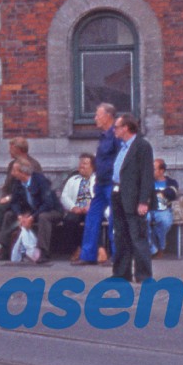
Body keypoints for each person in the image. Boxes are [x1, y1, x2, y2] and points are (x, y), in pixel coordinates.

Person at [110, 112, 155, 283]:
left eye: (117, 126)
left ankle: (143, 274)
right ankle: (122, 273)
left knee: (138, 237)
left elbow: (147, 175)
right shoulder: (122, 147)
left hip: (134, 198)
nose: (115, 130)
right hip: (118, 194)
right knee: (120, 236)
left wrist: (144, 201)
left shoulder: (142, 146)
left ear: (126, 128)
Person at [76, 102, 119, 266]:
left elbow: (120, 160)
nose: (95, 118)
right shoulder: (104, 135)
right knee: (92, 218)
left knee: (115, 220)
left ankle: (116, 256)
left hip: (111, 183)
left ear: (108, 116)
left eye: (97, 115)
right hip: (101, 183)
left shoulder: (116, 135)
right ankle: (88, 255)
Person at [0, 159, 60, 263]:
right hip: (31, 211)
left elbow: (48, 203)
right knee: (9, 215)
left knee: (43, 217)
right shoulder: (17, 183)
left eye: (14, 170)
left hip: (51, 210)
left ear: (23, 172)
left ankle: (43, 252)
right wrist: (19, 215)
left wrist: (32, 217)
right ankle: (4, 248)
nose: (12, 173)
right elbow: (14, 202)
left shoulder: (40, 180)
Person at [60, 153, 96, 260]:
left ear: (92, 166)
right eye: (80, 163)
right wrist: (74, 207)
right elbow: (64, 196)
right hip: (77, 210)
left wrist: (91, 206)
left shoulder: (98, 179)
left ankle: (95, 250)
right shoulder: (73, 180)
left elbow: (100, 196)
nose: (81, 166)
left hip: (92, 210)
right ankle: (76, 249)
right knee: (70, 220)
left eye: (85, 163)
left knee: (93, 219)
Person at [147, 158, 179, 257]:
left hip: (163, 209)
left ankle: (160, 247)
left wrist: (162, 192)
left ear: (161, 171)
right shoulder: (147, 181)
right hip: (148, 208)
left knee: (165, 222)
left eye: (153, 169)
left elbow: (173, 194)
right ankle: (153, 249)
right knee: (142, 221)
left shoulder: (171, 182)